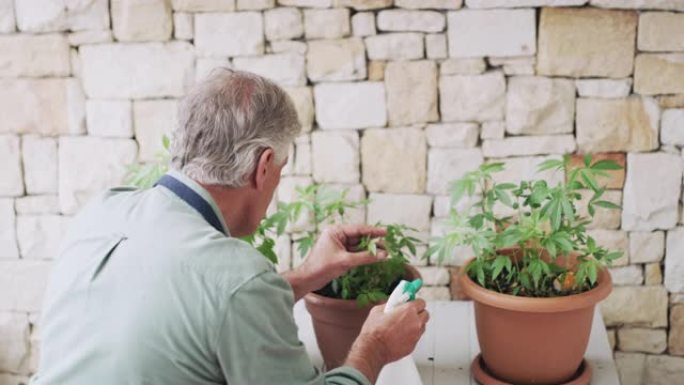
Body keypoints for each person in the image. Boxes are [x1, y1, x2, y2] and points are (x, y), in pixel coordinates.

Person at [32, 69, 430, 385]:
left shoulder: (102, 210)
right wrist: (375, 345)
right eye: (281, 171)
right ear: (263, 166)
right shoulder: (237, 278)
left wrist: (310, 274)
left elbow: (196, 305)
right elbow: (225, 293)